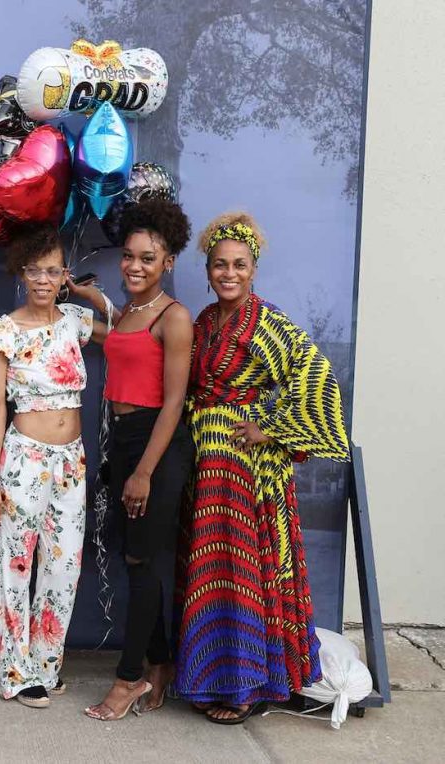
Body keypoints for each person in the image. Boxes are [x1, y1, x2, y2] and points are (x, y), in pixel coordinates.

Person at [175, 212, 350, 724]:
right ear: (207, 269)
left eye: (240, 265)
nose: (229, 274)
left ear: (254, 269)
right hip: (205, 469)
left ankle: (246, 686)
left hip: (246, 472)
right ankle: (209, 680)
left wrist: (269, 425)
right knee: (208, 570)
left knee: (243, 572)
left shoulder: (266, 321)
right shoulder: (205, 321)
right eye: (220, 265)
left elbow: (316, 375)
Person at [74, 200, 195, 721]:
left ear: (167, 262)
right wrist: (84, 298)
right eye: (128, 256)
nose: (135, 266)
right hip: (122, 439)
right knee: (135, 558)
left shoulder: (175, 317)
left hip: (158, 445)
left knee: (142, 562)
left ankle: (129, 680)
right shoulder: (130, 313)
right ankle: (161, 666)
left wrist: (144, 471)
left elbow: (173, 401)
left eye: (148, 258)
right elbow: (115, 337)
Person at [0, 226, 93, 709]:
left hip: (74, 461)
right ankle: (16, 672)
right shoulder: (2, 332)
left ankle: (47, 664)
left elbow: (129, 328)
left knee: (64, 564)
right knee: (15, 563)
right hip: (24, 457)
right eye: (35, 270)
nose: (43, 279)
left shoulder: (75, 320)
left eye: (53, 269)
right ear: (21, 273)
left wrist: (87, 291)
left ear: (65, 273)